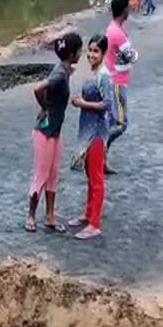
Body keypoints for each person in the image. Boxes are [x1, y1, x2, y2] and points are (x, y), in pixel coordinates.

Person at [25, 32, 83, 234]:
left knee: (53, 175)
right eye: (80, 50)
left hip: (54, 132)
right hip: (45, 132)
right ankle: (31, 216)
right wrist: (45, 107)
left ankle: (50, 216)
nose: (81, 54)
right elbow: (38, 89)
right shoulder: (59, 74)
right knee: (41, 174)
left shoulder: (65, 70)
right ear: (73, 53)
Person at [69, 35, 113, 240]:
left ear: (103, 53)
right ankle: (88, 214)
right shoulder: (94, 72)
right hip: (87, 129)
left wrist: (82, 104)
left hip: (96, 131)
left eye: (96, 51)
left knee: (96, 177)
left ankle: (95, 224)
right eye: (90, 50)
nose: (91, 54)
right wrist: (81, 100)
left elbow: (107, 105)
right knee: (89, 175)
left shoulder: (104, 75)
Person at [104, 0, 138, 175]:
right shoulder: (117, 33)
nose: (130, 9)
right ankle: (98, 150)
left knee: (110, 121)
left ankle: (99, 155)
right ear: (123, 10)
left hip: (114, 79)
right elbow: (132, 56)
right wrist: (135, 54)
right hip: (117, 82)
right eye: (128, 7)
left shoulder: (114, 29)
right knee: (120, 123)